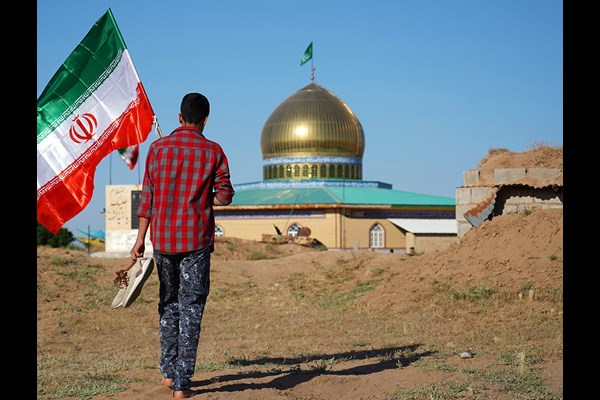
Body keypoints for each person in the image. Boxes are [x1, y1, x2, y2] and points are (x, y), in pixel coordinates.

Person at [130, 92, 235, 398]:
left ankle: (167, 372)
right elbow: (225, 195)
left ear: (179, 118)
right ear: (205, 120)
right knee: (192, 309)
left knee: (168, 304)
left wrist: (139, 239)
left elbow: (147, 199)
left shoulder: (158, 149)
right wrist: (205, 197)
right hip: (197, 242)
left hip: (163, 240)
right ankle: (182, 384)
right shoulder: (213, 151)